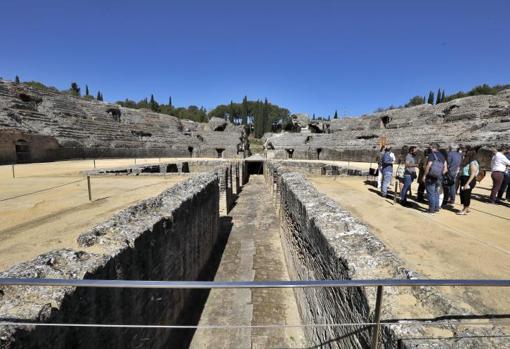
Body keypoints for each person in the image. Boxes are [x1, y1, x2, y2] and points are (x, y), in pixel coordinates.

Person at [422, 143, 447, 213]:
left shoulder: (431, 155)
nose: (429, 149)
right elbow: (445, 169)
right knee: (436, 192)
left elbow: (429, 165)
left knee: (430, 193)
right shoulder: (442, 156)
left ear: (433, 148)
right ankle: (436, 208)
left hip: (430, 177)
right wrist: (439, 174)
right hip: (439, 177)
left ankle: (431, 209)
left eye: (430, 148)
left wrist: (424, 175)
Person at [458, 147, 479, 215]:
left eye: (466, 152)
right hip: (464, 179)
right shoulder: (468, 161)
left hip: (469, 180)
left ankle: (465, 209)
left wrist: (467, 183)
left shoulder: (473, 162)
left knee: (466, 194)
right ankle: (466, 208)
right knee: (463, 194)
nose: (464, 153)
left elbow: (473, 174)